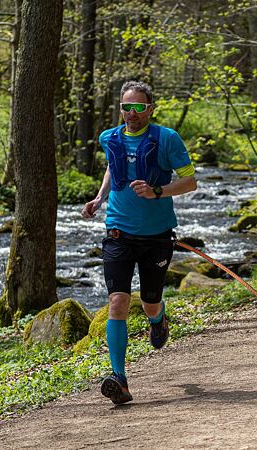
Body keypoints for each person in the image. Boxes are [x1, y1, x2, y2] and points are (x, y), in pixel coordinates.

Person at [82, 80, 197, 404]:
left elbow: (190, 181)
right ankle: (119, 378)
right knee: (117, 302)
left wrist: (158, 190)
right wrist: (99, 198)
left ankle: (157, 320)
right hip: (118, 231)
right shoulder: (110, 138)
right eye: (125, 107)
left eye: (138, 107)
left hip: (157, 235)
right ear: (120, 108)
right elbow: (113, 168)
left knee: (149, 301)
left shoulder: (166, 139)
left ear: (150, 108)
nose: (131, 113)